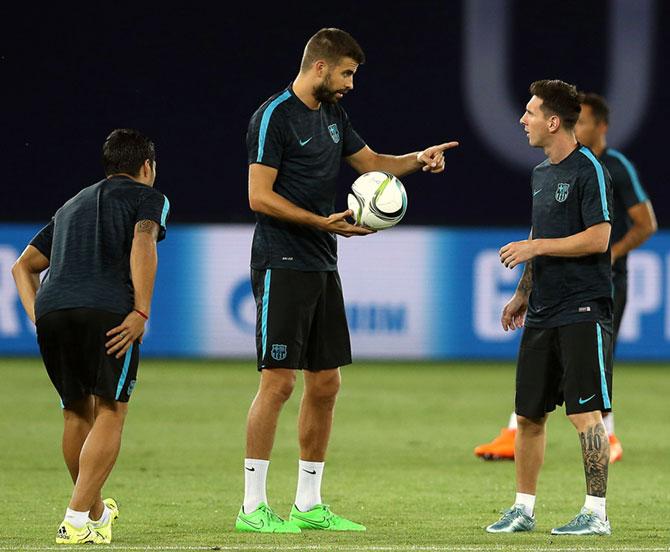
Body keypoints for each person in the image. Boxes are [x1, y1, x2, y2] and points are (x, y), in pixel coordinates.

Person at [238, 27, 458, 533]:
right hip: (280, 260)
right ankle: (252, 509)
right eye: (346, 74)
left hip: (321, 262)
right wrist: (321, 222)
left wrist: (418, 161)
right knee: (278, 383)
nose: (350, 84)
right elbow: (258, 196)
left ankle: (308, 504)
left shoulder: (333, 116)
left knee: (327, 383)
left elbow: (375, 164)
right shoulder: (274, 116)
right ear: (320, 66)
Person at [474, 93, 657, 465]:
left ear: (600, 127)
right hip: (551, 289)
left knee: (595, 369)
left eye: (587, 122)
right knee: (536, 393)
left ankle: (608, 436)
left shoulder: (608, 167)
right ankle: (517, 435)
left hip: (596, 284)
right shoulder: (547, 169)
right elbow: (538, 229)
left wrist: (613, 253)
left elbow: (644, 224)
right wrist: (524, 287)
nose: (523, 120)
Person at [12, 129, 170, 544]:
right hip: (106, 312)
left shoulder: (70, 206)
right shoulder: (147, 197)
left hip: (53, 311)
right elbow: (143, 241)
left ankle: (95, 512)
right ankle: (76, 519)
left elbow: (22, 267)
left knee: (75, 411)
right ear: (146, 167)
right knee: (111, 410)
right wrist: (141, 310)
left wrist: (38, 316)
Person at [485, 80, 613, 535]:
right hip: (542, 308)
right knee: (528, 415)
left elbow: (599, 238)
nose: (523, 119)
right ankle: (523, 509)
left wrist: (536, 245)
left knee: (584, 414)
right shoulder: (541, 174)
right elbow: (541, 239)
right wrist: (523, 292)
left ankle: (596, 515)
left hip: (582, 307)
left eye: (531, 112)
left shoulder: (589, 170)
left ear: (554, 121)